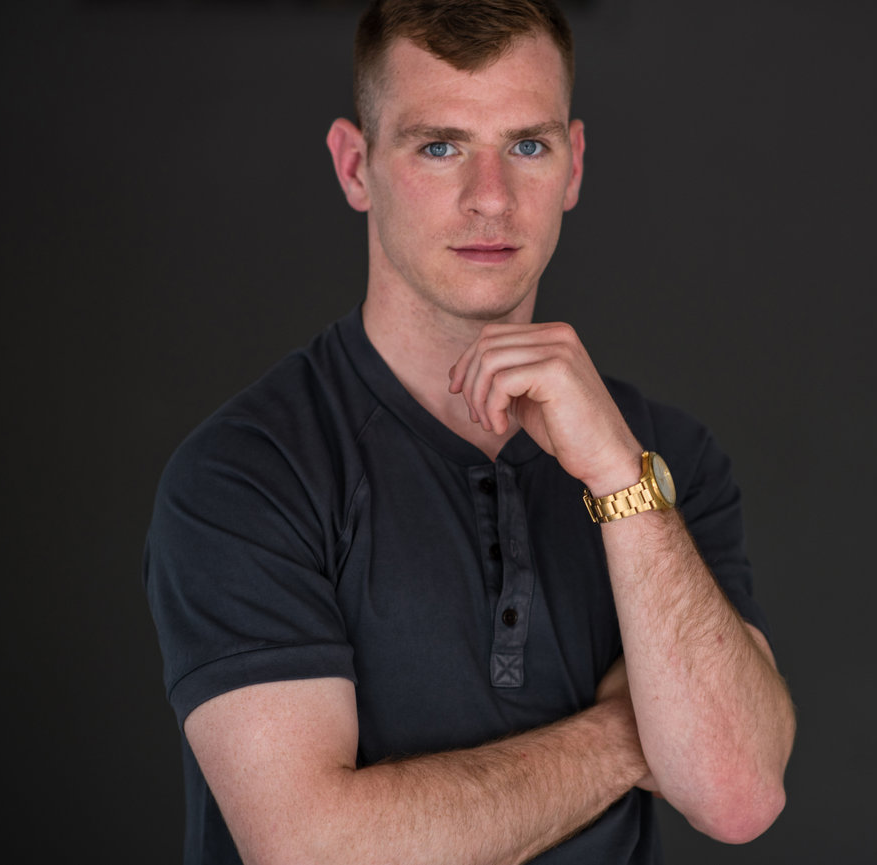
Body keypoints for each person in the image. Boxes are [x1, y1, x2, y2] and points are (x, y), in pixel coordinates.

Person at [143, 1, 796, 862]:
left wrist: (618, 478)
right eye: (440, 147)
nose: (491, 197)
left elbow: (737, 791)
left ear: (574, 165)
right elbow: (315, 850)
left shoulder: (661, 456)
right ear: (354, 167)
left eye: (527, 146)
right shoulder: (247, 473)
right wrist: (623, 735)